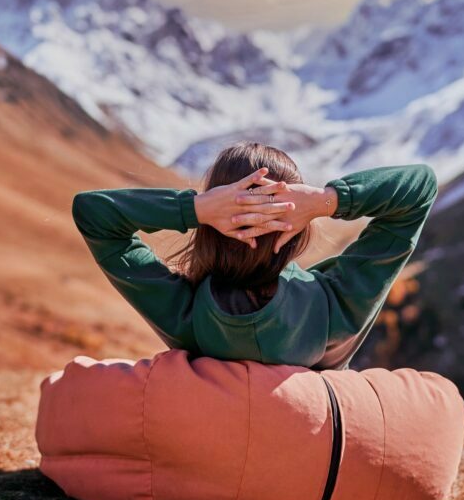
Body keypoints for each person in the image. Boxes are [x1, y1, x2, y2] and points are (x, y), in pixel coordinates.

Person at [71, 141, 438, 370]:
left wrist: (196, 208)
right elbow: (420, 187)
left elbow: (93, 214)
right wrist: (325, 201)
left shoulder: (184, 314)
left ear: (211, 228)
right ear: (297, 228)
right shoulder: (337, 304)